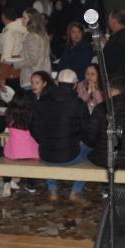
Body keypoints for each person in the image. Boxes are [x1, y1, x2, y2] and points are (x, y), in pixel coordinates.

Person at [31, 68, 90, 204]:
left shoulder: (42, 102)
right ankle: (76, 190)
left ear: (57, 83)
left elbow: (33, 127)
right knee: (90, 149)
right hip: (71, 156)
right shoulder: (79, 104)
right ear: (75, 85)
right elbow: (87, 131)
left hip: (45, 155)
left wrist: (43, 141)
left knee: (51, 148)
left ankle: (52, 190)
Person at [1, 89, 39, 197]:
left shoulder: (9, 114)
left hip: (13, 152)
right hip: (31, 152)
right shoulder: (32, 114)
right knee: (34, 159)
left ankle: (7, 182)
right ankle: (30, 184)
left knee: (7, 155)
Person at [8, 8, 51, 90]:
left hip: (32, 77)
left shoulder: (32, 36)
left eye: (24, 18)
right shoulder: (43, 34)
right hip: (43, 74)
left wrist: (15, 64)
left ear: (31, 20)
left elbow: (33, 60)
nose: (21, 20)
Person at [0, 6, 25, 91]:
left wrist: (2, 80)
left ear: (3, 16)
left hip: (11, 72)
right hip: (21, 70)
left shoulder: (8, 33)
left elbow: (6, 59)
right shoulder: (22, 28)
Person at [103, 10, 125, 80]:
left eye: (109, 19)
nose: (108, 22)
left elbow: (109, 65)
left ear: (114, 22)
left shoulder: (116, 41)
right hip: (124, 79)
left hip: (115, 81)